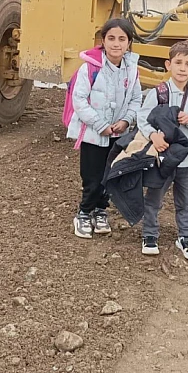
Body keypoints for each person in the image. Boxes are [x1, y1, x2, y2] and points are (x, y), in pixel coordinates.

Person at [66, 18, 142, 239]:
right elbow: (79, 100)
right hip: (93, 134)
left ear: (129, 43)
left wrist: (127, 121)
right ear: (103, 41)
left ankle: (101, 210)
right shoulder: (89, 68)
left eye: (122, 39)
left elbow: (136, 99)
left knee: (110, 174)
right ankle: (84, 212)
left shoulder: (132, 70)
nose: (116, 44)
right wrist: (100, 125)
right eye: (111, 38)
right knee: (92, 175)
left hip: (118, 135)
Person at [137, 40, 188, 260]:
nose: (182, 68)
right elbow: (143, 118)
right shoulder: (157, 93)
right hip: (162, 158)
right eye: (178, 62)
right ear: (168, 65)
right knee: (154, 197)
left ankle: (185, 237)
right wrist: (154, 135)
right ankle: (149, 234)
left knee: (185, 200)